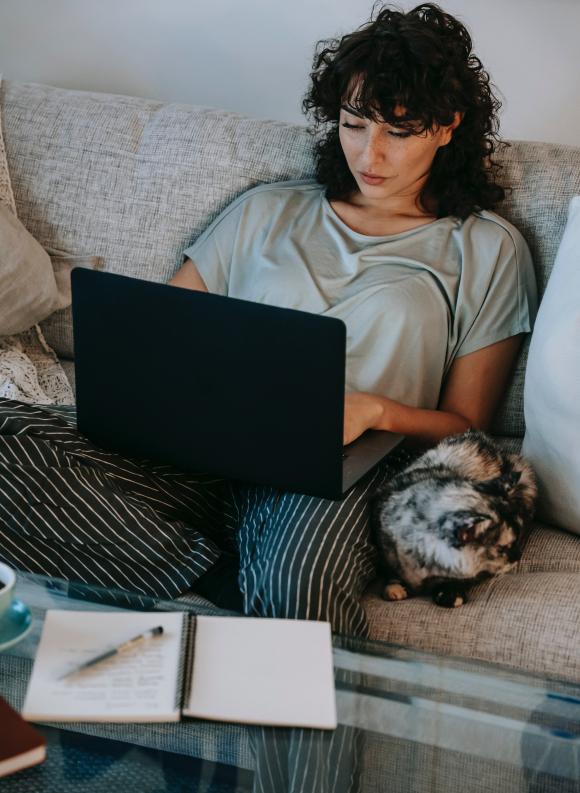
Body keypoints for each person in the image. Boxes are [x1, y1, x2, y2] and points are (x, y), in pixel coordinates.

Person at [0, 4, 537, 644]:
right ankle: (223, 577)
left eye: (400, 131)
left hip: (328, 469)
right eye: (353, 123)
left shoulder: (487, 248)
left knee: (300, 587)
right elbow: (158, 337)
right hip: (193, 444)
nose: (371, 154)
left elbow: (468, 426)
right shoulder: (266, 209)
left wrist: (373, 411)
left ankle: (233, 584)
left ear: (447, 127)